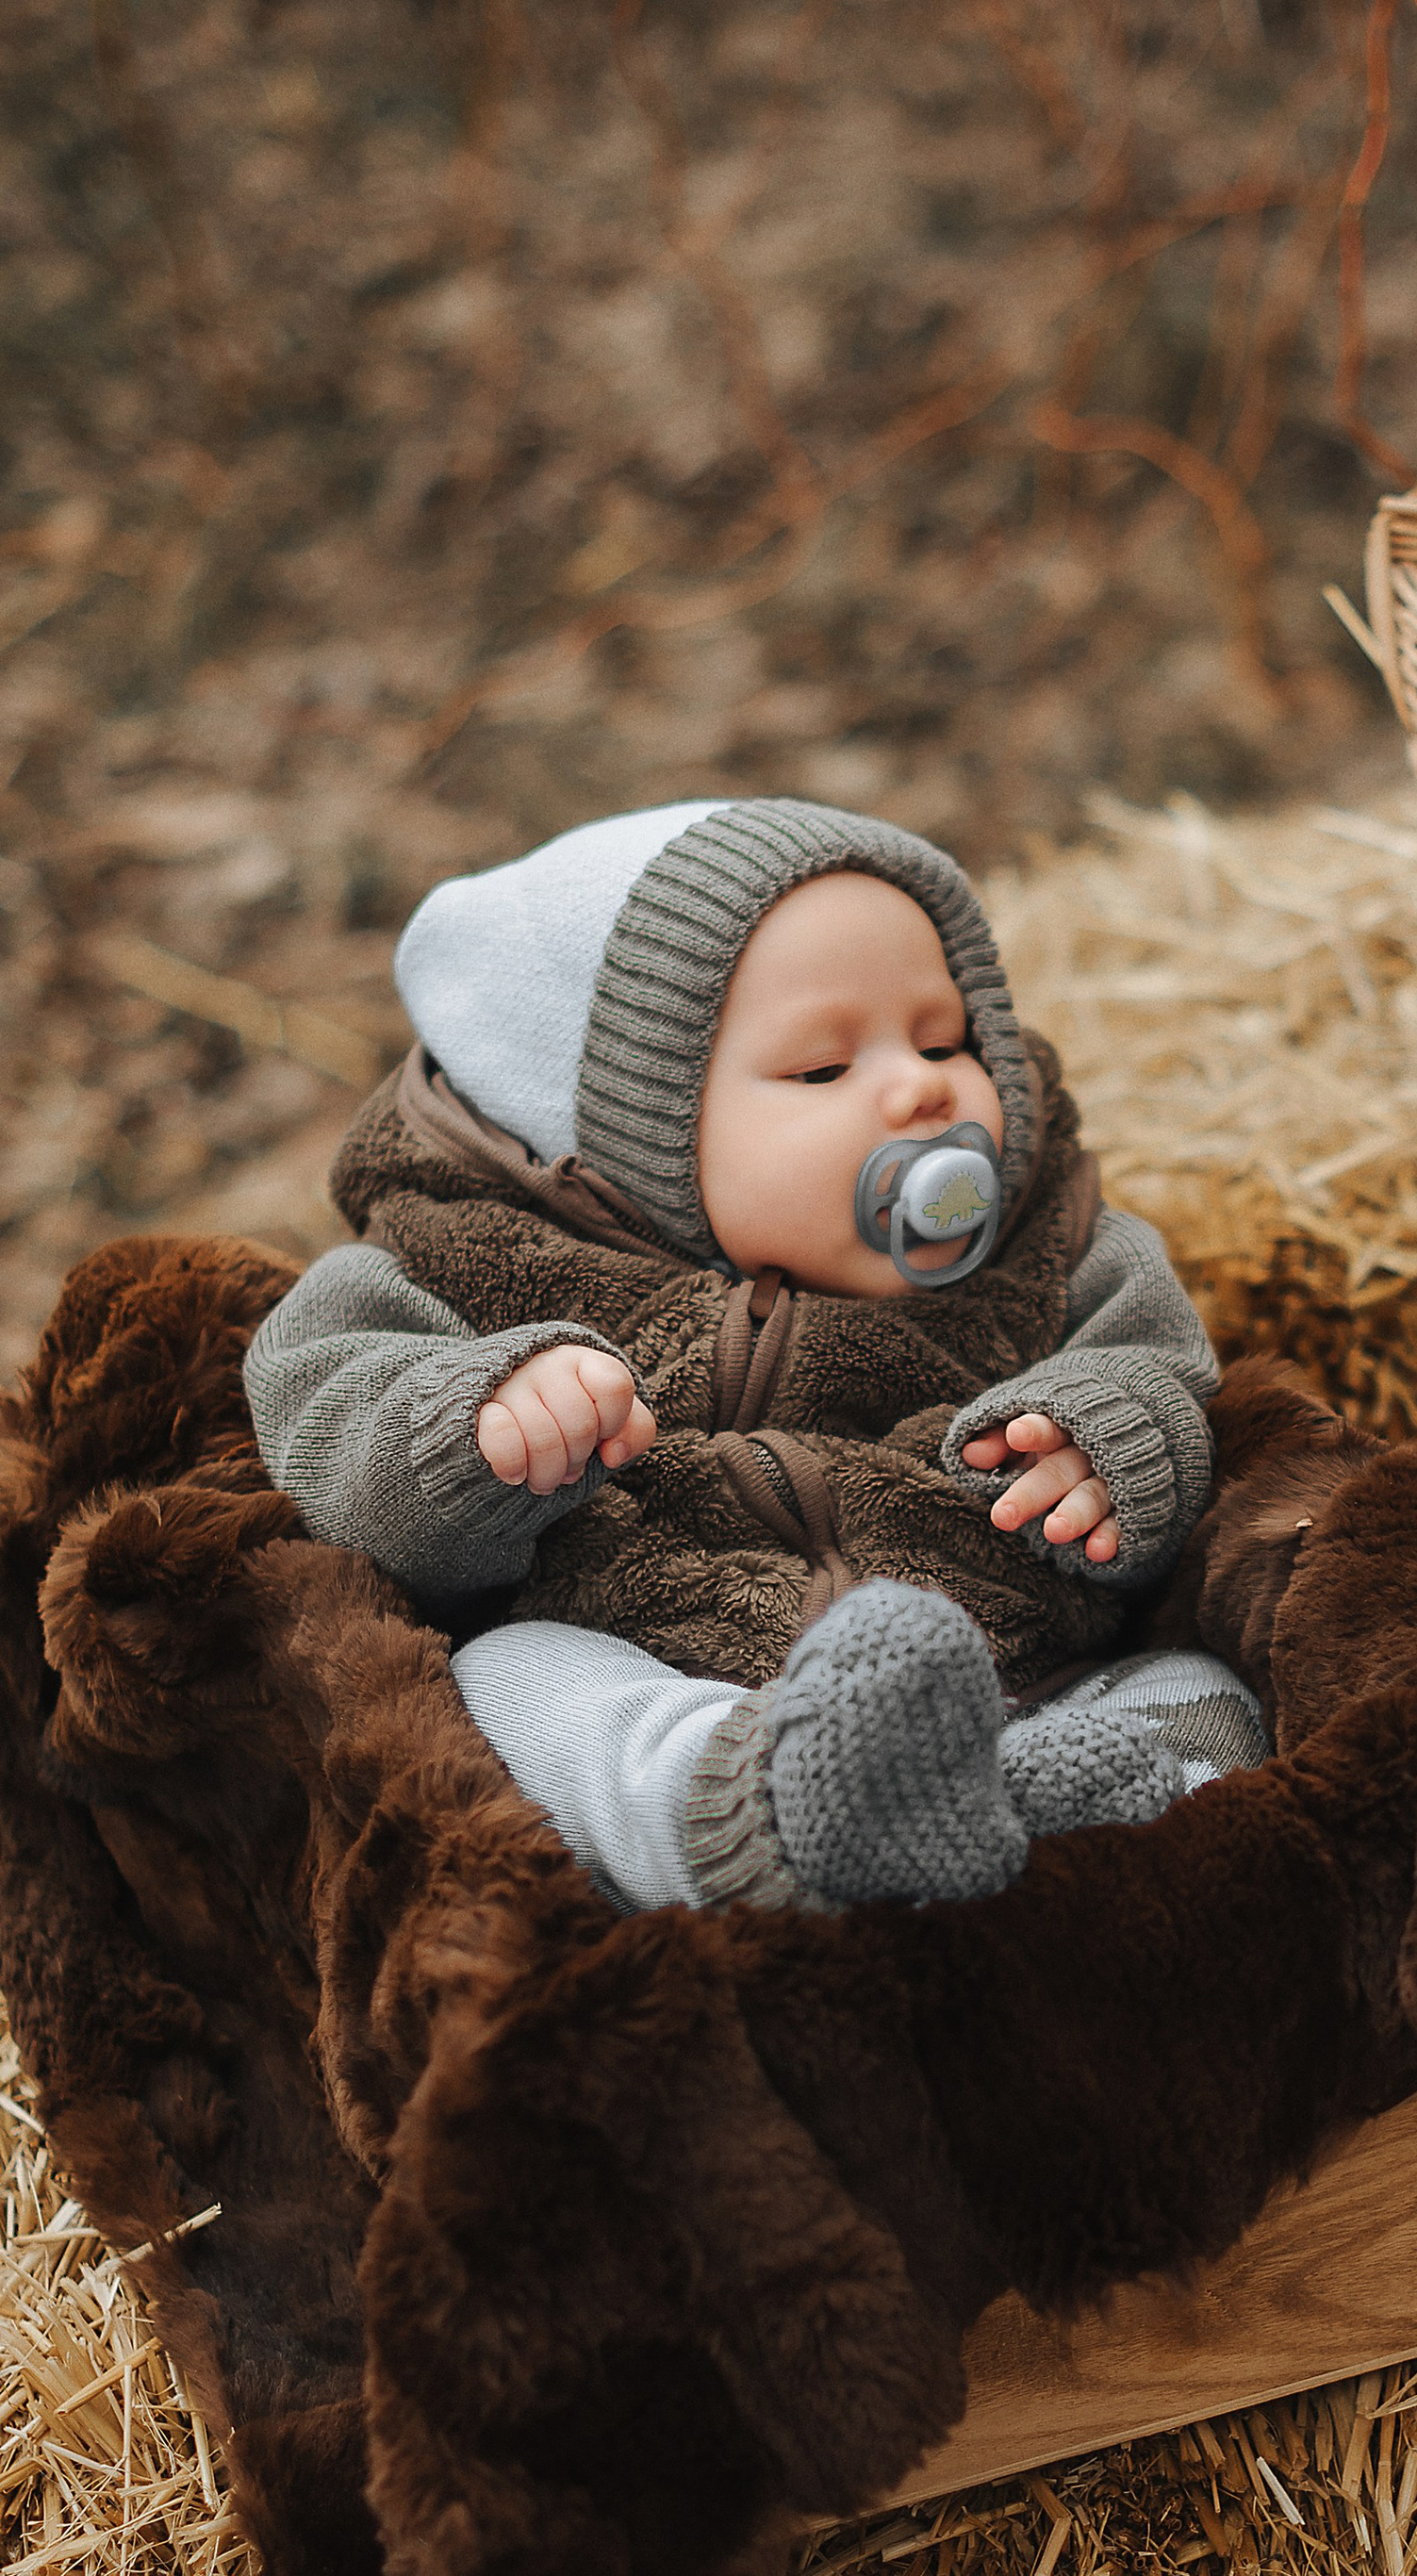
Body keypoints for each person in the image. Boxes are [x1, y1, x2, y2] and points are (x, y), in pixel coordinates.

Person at [243, 799, 1261, 1911]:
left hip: (1025, 1676)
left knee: (1202, 1681)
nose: (924, 1087)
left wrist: (1108, 1446)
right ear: (624, 1141)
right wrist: (475, 1429)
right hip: (675, 1675)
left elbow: (1161, 1368)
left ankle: (1064, 1819)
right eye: (824, 1069)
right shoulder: (460, 1268)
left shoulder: (1049, 1244)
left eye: (945, 1039)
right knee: (507, 1684)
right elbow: (323, 1417)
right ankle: (751, 1818)